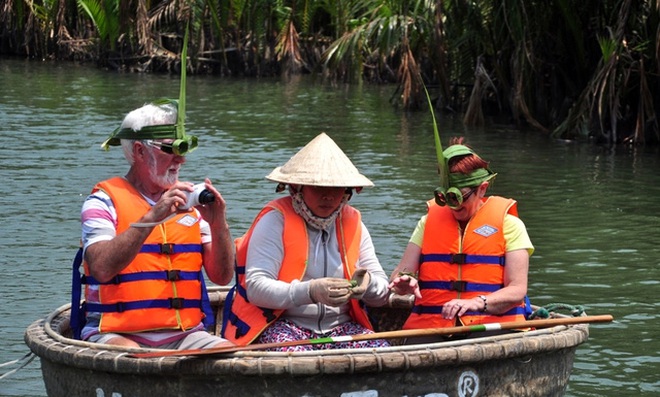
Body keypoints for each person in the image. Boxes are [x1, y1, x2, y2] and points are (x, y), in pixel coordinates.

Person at [72, 100, 235, 349]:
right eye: (170, 149)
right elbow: (101, 268)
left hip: (185, 334)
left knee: (229, 354)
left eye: (184, 150)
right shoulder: (103, 202)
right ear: (139, 151)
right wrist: (152, 217)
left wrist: (218, 223)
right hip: (117, 333)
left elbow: (222, 277)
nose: (181, 160)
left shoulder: (191, 202)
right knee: (135, 357)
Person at [222, 133, 391, 351]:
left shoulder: (354, 222)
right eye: (318, 188)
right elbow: (256, 287)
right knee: (295, 355)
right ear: (296, 188)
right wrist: (310, 291)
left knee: (383, 349)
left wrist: (367, 285)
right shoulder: (275, 220)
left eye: (336, 189)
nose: (328, 196)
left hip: (342, 328)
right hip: (283, 325)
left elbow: (383, 294)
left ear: (347, 192)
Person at [389, 137, 533, 334]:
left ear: (482, 188)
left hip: (491, 327)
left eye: (459, 197)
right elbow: (399, 274)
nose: (452, 205)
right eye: (445, 197)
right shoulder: (427, 222)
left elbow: (517, 289)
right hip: (432, 328)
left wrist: (478, 302)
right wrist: (403, 282)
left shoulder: (511, 226)